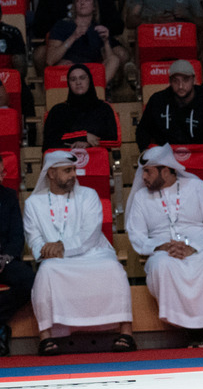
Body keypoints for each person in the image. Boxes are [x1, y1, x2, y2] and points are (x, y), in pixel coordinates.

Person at [27, 150, 134, 356]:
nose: (74, 175)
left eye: (74, 169)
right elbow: (34, 237)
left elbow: (90, 233)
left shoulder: (89, 195)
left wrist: (62, 246)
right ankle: (46, 337)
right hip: (55, 260)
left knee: (113, 268)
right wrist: (46, 249)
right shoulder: (34, 203)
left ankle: (126, 332)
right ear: (51, 174)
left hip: (93, 252)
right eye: (67, 170)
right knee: (46, 272)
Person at [126, 144, 203, 348]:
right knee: (162, 265)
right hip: (163, 252)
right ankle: (192, 329)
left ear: (165, 170)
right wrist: (160, 246)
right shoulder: (140, 198)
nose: (143, 177)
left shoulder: (197, 187)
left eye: (148, 171)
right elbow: (137, 237)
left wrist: (193, 246)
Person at [136, 60, 203, 182]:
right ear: (170, 81)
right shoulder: (158, 101)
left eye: (185, 80)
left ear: (193, 80)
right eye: (176, 81)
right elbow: (142, 131)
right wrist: (148, 156)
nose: (180, 86)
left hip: (197, 166)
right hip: (165, 164)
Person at [33, 0, 123, 74]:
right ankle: (49, 89)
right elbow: (40, 29)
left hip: (93, 45)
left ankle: (101, 89)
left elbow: (117, 26)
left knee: (119, 56)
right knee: (40, 54)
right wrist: (70, 35)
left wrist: (105, 39)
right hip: (61, 42)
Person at [45, 0, 128, 84]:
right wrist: (73, 37)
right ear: (74, 6)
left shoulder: (98, 29)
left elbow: (110, 60)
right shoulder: (62, 25)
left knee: (114, 59)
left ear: (94, 7)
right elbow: (50, 60)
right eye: (78, 0)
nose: (82, 3)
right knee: (64, 66)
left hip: (91, 71)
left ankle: (96, 90)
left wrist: (106, 42)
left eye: (86, 0)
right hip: (69, 68)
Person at [42, 64, 119, 150]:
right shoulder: (58, 111)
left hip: (97, 159)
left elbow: (113, 139)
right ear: (68, 83)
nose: (78, 82)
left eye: (82, 78)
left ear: (89, 80)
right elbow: (49, 141)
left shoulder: (104, 108)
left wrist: (88, 144)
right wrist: (82, 136)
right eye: (73, 79)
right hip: (65, 160)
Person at [0, 156, 32, 357]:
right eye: (0, 172)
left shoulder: (9, 197)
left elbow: (17, 236)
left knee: (30, 281)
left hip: (4, 261)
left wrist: (5, 258)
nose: (3, 175)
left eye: (3, 171)